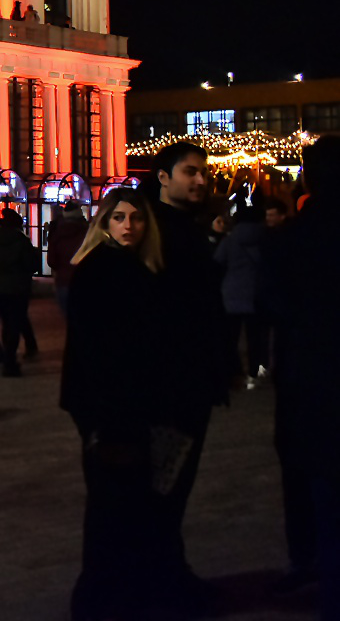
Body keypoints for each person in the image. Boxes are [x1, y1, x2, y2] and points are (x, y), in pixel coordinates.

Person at [59, 186, 166, 621]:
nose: (128, 226)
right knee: (111, 503)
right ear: (103, 223)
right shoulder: (103, 269)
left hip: (122, 403)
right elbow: (95, 348)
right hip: (110, 406)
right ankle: (103, 597)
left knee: (122, 503)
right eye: (119, 218)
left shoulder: (134, 267)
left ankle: (116, 591)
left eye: (135, 218)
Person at [146, 140, 234, 610]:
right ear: (164, 176)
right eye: (189, 172)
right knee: (165, 484)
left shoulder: (188, 227)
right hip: (169, 385)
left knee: (174, 484)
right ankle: (164, 581)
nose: (200, 180)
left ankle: (169, 572)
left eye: (203, 172)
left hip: (191, 379)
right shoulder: (153, 230)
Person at [266, 135, 340, 611]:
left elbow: (271, 305)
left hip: (309, 377)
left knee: (318, 483)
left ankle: (317, 568)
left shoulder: (291, 239)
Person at [216, 204, 272, 389]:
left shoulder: (230, 240)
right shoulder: (267, 239)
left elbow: (218, 261)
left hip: (232, 293)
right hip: (258, 294)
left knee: (230, 337)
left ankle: (234, 371)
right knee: (257, 337)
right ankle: (257, 369)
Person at [0, 208, 40, 377]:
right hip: (17, 288)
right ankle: (10, 362)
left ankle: (7, 357)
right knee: (15, 324)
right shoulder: (21, 241)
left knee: (6, 324)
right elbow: (31, 265)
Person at [46, 201, 89, 316]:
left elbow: (52, 261)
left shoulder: (57, 233)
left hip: (63, 281)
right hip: (84, 280)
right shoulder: (87, 233)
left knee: (69, 317)